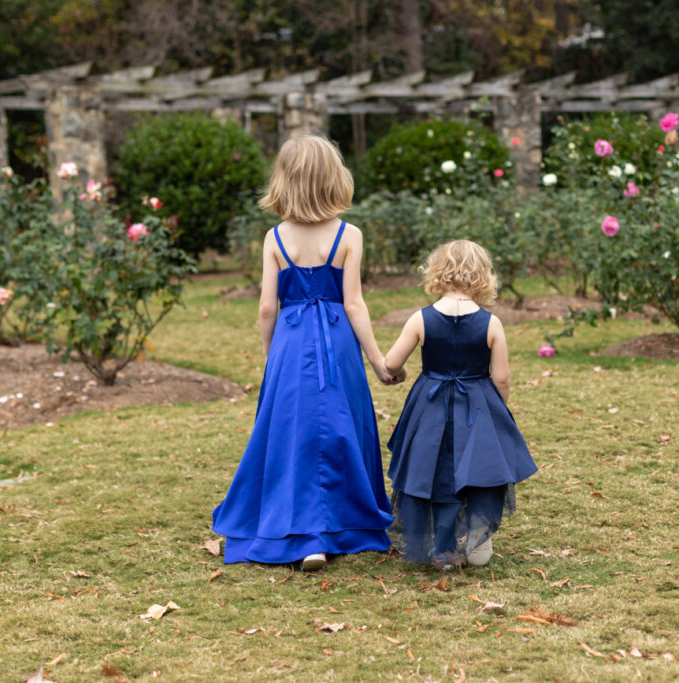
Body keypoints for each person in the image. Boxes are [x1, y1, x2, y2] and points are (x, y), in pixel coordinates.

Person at [211, 134, 400, 571]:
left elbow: (265, 307)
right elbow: (354, 303)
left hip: (290, 345)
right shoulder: (349, 235)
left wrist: (270, 357)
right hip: (338, 344)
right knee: (339, 426)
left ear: (285, 181)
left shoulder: (275, 238)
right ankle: (339, 523)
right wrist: (378, 360)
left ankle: (301, 533)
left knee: (292, 434)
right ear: (336, 178)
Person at [383, 240, 537, 569]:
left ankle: (440, 544)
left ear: (437, 273)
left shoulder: (421, 319)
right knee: (477, 471)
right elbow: (502, 378)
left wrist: (401, 371)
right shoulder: (490, 323)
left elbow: (391, 362)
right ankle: (478, 539)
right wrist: (496, 412)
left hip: (430, 406)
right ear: (483, 276)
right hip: (477, 406)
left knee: (433, 472)